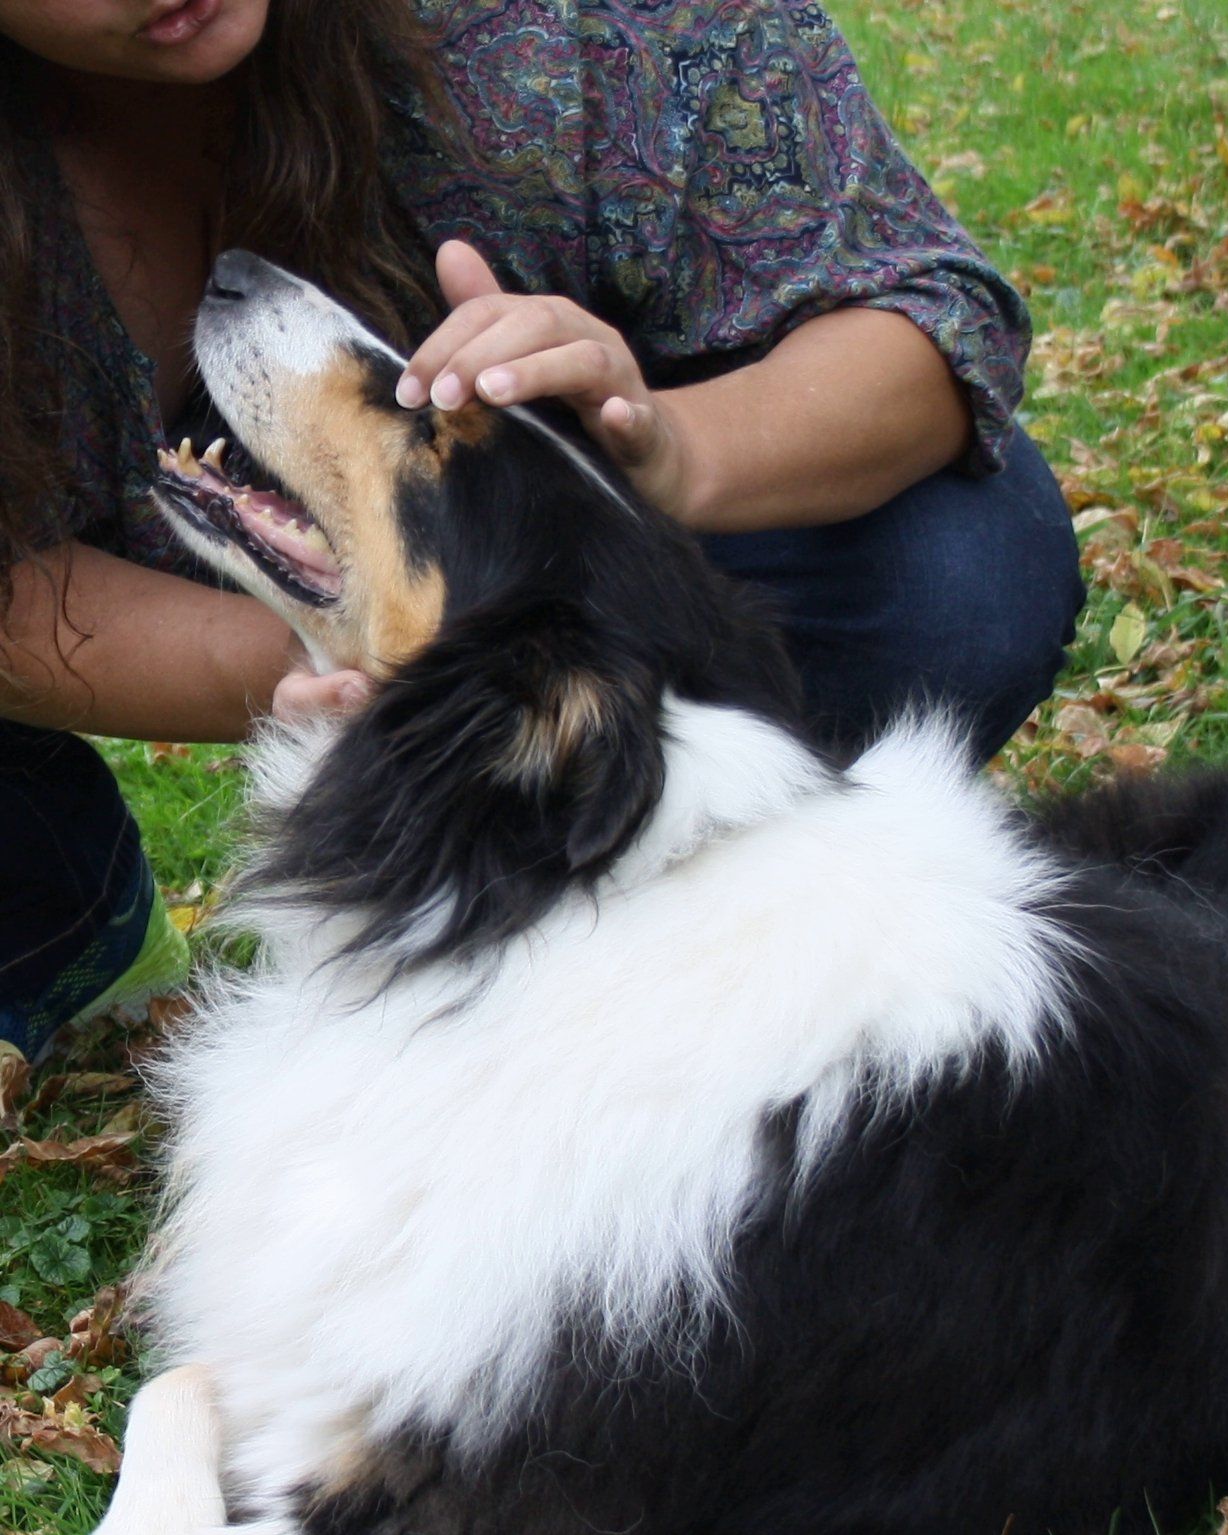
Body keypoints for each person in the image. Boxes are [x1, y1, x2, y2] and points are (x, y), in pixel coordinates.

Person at [0, 0, 1083, 1064]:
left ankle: (679, 889)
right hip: (159, 597)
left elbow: (933, 320)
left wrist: (671, 447)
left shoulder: (593, 27)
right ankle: (62, 926)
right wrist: (334, 659)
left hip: (590, 567)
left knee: (961, 567)